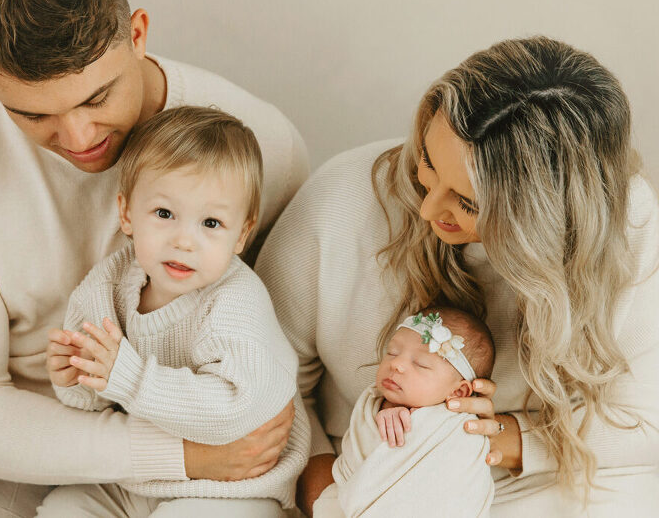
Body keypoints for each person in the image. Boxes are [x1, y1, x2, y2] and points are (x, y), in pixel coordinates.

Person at [0, 0, 308, 516]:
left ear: (137, 34)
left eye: (96, 98)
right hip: (22, 473)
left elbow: (287, 358)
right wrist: (178, 455)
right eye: (33, 114)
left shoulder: (258, 144)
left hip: (229, 469)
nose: (79, 137)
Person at [255, 36, 659, 517]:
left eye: (467, 203)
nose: (426, 207)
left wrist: (498, 438)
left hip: (541, 471)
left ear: (548, 217)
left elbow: (644, 424)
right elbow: (268, 377)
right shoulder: (339, 198)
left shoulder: (624, 227)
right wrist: (325, 495)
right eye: (427, 162)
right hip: (352, 466)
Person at [38, 106, 310, 515]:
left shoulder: (234, 302)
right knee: (63, 507)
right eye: (164, 214)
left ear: (242, 234)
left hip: (238, 487)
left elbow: (233, 413)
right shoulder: (108, 284)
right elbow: (96, 399)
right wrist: (77, 378)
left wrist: (126, 377)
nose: (185, 241)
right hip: (145, 478)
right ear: (127, 213)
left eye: (212, 223)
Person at [312, 307, 495, 517]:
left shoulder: (456, 428)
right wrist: (383, 411)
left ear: (458, 391)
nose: (396, 364)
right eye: (392, 352)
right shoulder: (373, 402)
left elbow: (449, 491)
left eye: (420, 364)